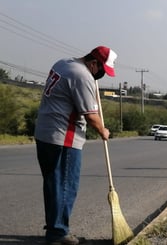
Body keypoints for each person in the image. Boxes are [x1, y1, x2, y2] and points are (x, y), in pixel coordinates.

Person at [34, 46, 117, 245]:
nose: (101, 76)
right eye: (102, 71)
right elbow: (91, 116)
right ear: (93, 63)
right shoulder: (82, 76)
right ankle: (58, 233)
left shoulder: (63, 63)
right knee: (65, 185)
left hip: (45, 133)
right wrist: (103, 131)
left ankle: (54, 227)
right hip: (64, 137)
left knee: (54, 184)